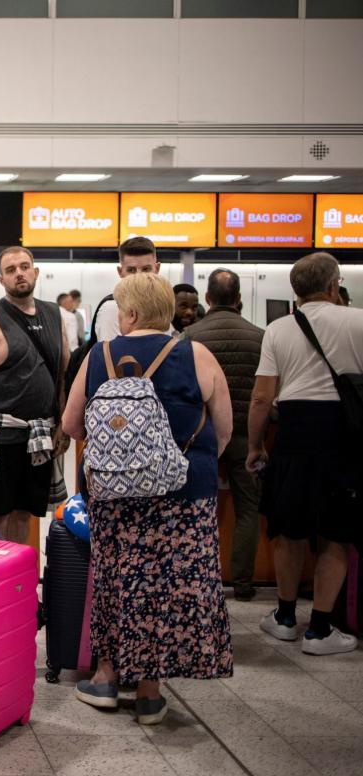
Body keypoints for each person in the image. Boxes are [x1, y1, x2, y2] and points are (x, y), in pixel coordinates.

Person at [63, 272, 234, 725]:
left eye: (121, 308)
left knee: (116, 580)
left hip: (114, 494)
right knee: (166, 588)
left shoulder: (98, 356)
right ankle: (149, 693)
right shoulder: (196, 354)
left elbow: (71, 425)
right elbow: (224, 428)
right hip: (184, 493)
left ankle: (105, 676)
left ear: (132, 313)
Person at [248, 252, 363, 656]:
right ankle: (320, 628)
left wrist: (255, 445)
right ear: (333, 285)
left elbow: (262, 397)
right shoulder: (358, 320)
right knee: (335, 533)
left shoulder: (279, 328)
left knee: (289, 528)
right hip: (343, 439)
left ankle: (283, 618)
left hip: (294, 434)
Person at [0, 247, 69, 543]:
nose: (19, 273)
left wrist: (62, 423)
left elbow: (61, 374)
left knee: (25, 512)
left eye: (24, 267)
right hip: (2, 433)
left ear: (35, 272)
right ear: (1, 279)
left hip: (41, 431)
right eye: (11, 270)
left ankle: (19, 581)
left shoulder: (54, 314)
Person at [183, 269, 264, 601]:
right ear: (240, 298)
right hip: (246, 437)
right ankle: (242, 583)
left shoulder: (189, 335)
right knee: (248, 510)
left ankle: (200, 580)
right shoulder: (260, 336)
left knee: (199, 509)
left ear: (207, 299)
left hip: (203, 437)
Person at [94, 237, 166, 342]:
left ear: (157, 269)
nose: (139, 276)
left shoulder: (161, 305)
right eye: (131, 270)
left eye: (146, 269)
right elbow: (110, 355)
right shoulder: (112, 308)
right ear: (120, 272)